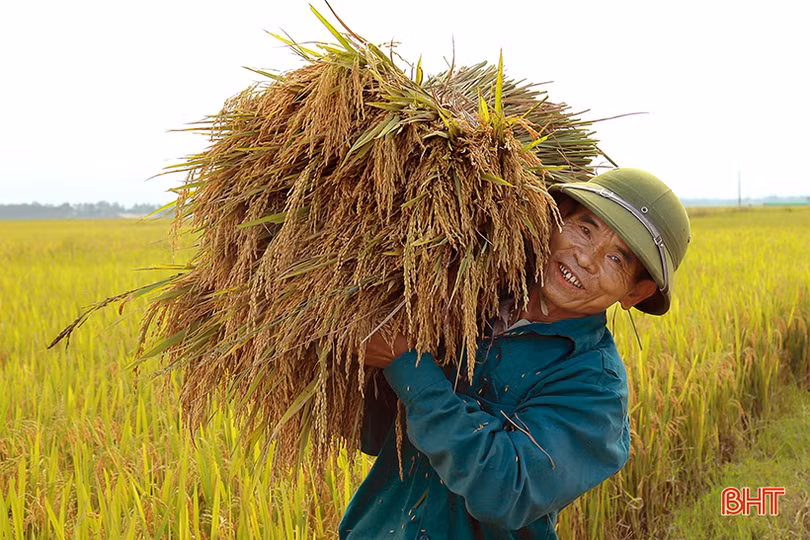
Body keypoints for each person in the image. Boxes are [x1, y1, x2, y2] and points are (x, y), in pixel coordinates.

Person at [339, 168, 691, 539]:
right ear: (556, 222)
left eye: (617, 259)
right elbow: (376, 438)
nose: (586, 257)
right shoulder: (466, 295)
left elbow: (506, 491)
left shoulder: (597, 392)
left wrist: (408, 366)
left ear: (636, 293)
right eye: (584, 229)